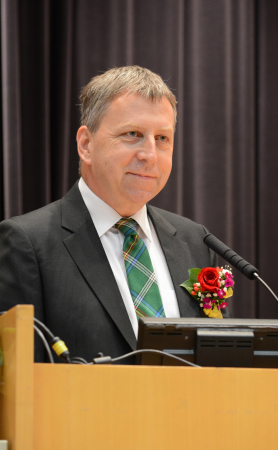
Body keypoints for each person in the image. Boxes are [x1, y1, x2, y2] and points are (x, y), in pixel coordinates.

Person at [0, 66, 227, 363]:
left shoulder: (195, 242)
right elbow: (18, 382)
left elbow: (222, 363)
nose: (150, 154)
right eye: (132, 134)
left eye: (162, 138)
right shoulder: (28, 243)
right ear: (86, 145)